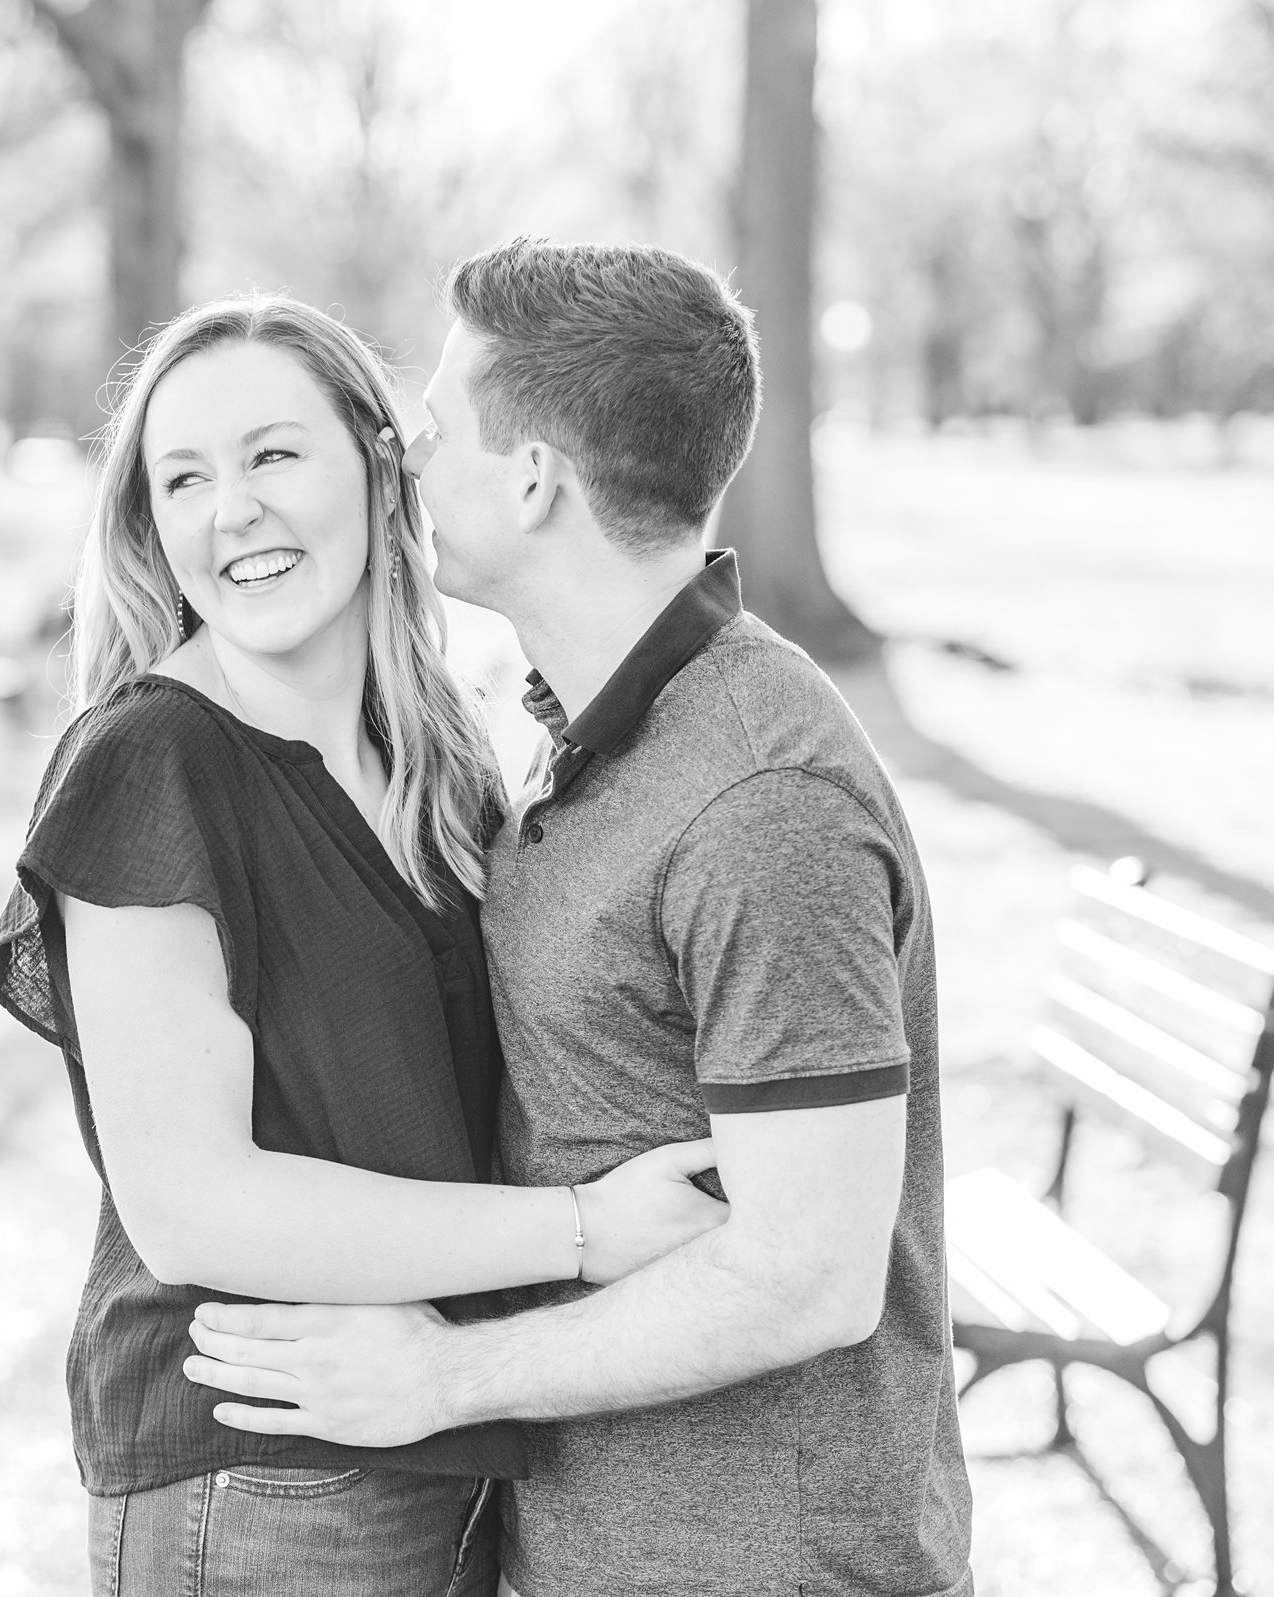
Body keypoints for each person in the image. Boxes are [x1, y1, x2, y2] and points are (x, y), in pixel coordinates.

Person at [184, 241, 974, 1597]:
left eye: (430, 434)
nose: (402, 463)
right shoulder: (589, 731)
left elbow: (809, 1274)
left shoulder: (759, 796)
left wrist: (443, 1373)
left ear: (535, 475)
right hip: (601, 1539)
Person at [0, 294, 729, 1597]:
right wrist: (580, 1233)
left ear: (383, 470)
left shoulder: (437, 760)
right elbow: (190, 1204)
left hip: (441, 1443)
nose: (233, 511)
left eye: (273, 454)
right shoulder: (151, 762)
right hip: (262, 1472)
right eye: (185, 479)